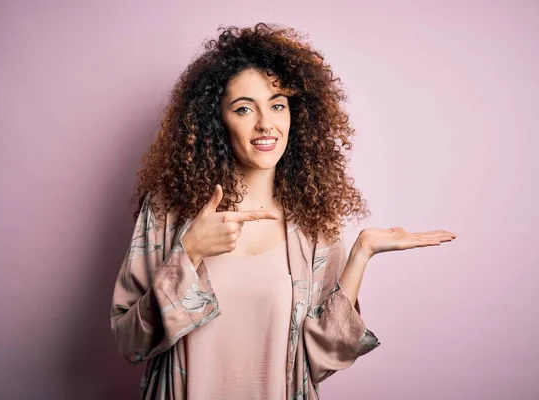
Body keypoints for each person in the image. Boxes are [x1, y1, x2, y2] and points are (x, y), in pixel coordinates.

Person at [109, 22, 456, 400]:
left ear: (297, 116)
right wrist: (188, 253)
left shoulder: (313, 225)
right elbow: (131, 343)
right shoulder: (167, 212)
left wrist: (362, 253)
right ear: (216, 120)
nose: (265, 123)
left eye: (277, 105)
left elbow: (322, 358)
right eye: (244, 108)